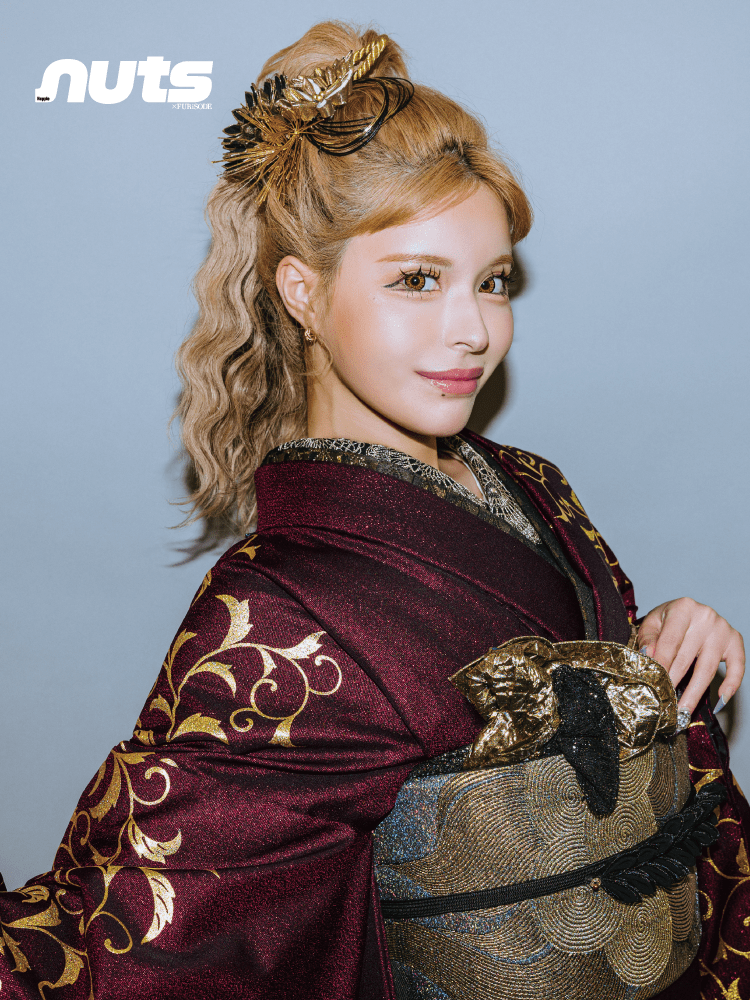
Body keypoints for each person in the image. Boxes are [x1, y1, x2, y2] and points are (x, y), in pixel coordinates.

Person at [0, 21, 746, 1000]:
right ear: (303, 292)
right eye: (415, 281)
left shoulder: (531, 484)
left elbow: (596, 717)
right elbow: (144, 940)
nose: (472, 330)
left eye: (493, 283)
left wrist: (658, 648)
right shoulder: (280, 610)